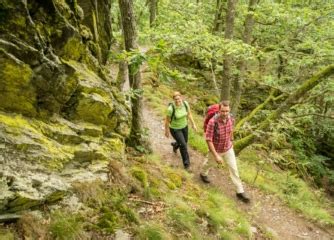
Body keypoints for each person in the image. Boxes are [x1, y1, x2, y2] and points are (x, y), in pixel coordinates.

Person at [200, 101, 250, 203]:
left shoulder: (231, 118)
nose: (225, 113)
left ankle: (240, 191)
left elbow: (231, 129)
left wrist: (231, 139)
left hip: (228, 149)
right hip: (216, 150)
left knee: (234, 169)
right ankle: (203, 173)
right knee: (209, 164)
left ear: (229, 110)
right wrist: (216, 156)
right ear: (219, 110)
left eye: (227, 111)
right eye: (223, 111)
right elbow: (208, 139)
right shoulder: (212, 122)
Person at [165, 91, 198, 170]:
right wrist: (166, 131)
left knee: (184, 142)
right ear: (173, 100)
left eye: (179, 99)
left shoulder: (185, 104)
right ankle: (187, 164)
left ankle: (175, 145)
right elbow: (167, 121)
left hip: (184, 126)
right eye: (175, 99)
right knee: (183, 145)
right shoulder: (171, 109)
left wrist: (193, 124)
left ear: (181, 98)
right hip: (175, 129)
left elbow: (189, 114)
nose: (177, 101)